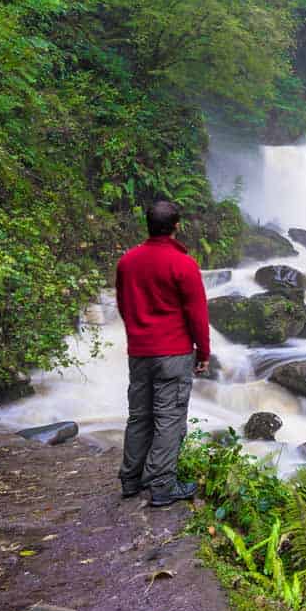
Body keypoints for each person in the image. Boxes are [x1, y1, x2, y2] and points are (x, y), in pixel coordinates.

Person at [115, 200, 210, 507]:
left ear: (147, 224)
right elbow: (197, 314)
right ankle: (162, 485)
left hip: (140, 352)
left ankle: (130, 480)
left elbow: (123, 305)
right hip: (173, 352)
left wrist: (138, 333)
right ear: (176, 227)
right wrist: (203, 352)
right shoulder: (183, 264)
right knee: (169, 418)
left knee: (139, 416)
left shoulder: (127, 262)